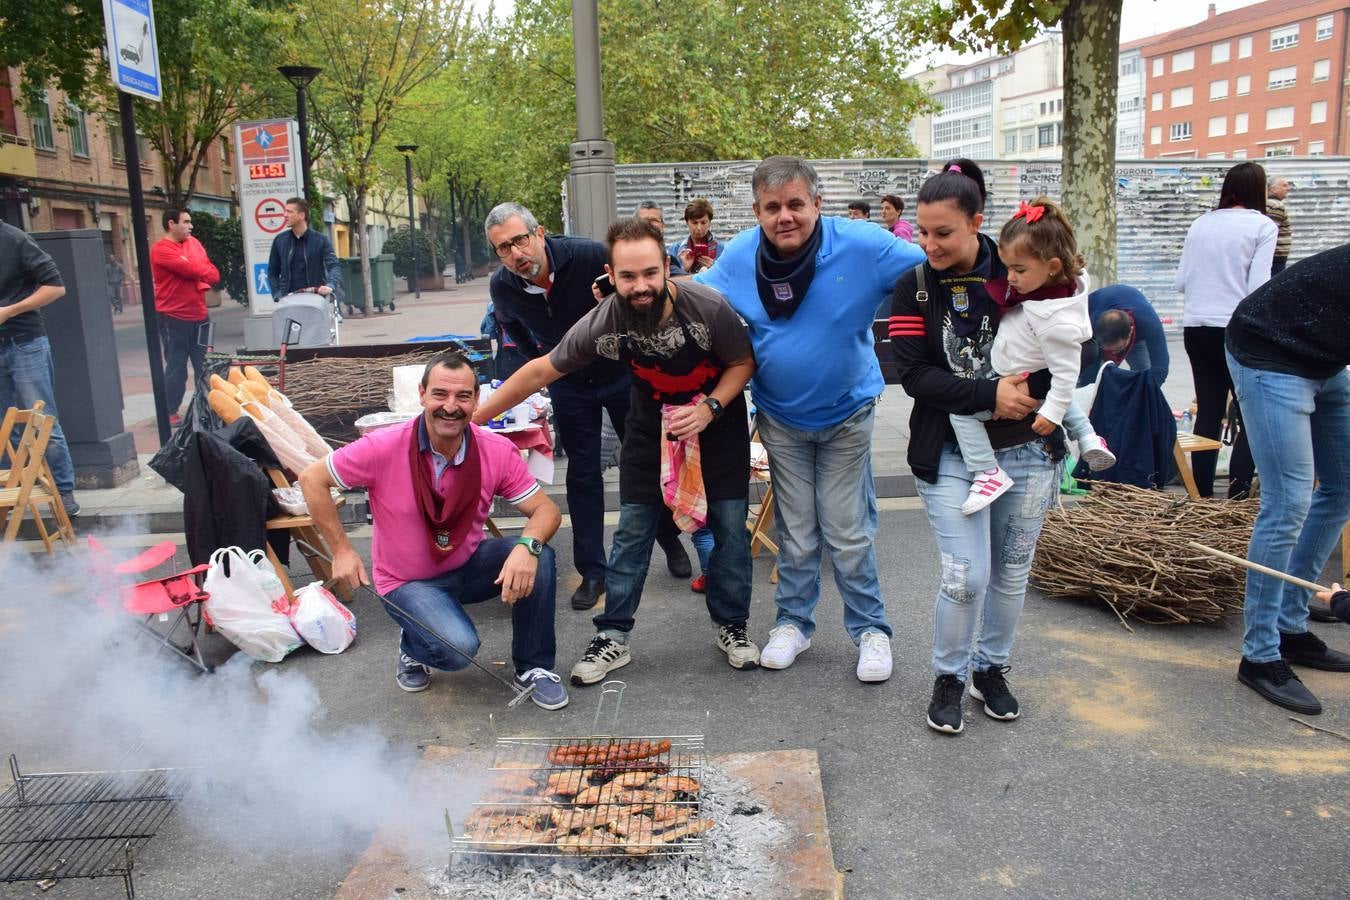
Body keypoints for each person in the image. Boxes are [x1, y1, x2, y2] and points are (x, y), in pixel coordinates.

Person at [477, 217, 759, 682]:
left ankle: (732, 625)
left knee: (729, 530)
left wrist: (710, 407)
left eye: (650, 273)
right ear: (611, 274)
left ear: (666, 267)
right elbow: (540, 371)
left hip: (717, 423)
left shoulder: (707, 307)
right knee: (631, 534)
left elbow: (743, 362)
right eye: (628, 277)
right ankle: (613, 636)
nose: (641, 286)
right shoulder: (605, 319)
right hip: (650, 426)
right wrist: (474, 418)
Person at [694, 156, 926, 682]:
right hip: (780, 419)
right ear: (756, 211)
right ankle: (793, 624)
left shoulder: (863, 245)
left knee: (846, 531)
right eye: (772, 207)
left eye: (796, 204)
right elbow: (696, 292)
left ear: (817, 204)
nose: (785, 217)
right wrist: (634, 291)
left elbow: (936, 260)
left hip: (847, 416)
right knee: (797, 534)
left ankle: (871, 630)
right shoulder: (738, 255)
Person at [890, 159, 1064, 735]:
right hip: (948, 452)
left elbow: (1061, 349)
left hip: (1027, 450)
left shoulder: (1022, 269)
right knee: (966, 575)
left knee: (1012, 574)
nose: (930, 244)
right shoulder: (912, 286)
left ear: (976, 223)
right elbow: (913, 375)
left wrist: (1039, 399)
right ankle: (948, 674)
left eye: (943, 232)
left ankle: (991, 669)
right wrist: (989, 393)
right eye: (922, 232)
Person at [297, 350, 569, 709]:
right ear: (422, 395)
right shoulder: (384, 446)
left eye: (463, 396)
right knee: (459, 650)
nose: (450, 406)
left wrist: (527, 548)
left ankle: (534, 668)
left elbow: (546, 511)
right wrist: (342, 550)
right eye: (440, 394)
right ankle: (413, 644)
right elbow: (312, 478)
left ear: (476, 401)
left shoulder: (495, 450)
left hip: (467, 565)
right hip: (407, 582)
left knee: (541, 555)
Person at [486, 202, 691, 611]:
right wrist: (544, 357)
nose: (515, 255)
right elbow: (512, 329)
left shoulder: (588, 255)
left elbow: (652, 293)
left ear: (539, 233)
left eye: (520, 241)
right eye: (503, 249)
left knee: (644, 461)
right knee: (582, 473)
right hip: (567, 381)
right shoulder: (503, 286)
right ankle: (593, 572)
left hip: (619, 371)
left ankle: (668, 538)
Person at [1225, 243, 1350, 716]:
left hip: (1322, 356)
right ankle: (1260, 654)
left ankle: (1290, 627)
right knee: (1288, 500)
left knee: (1343, 484)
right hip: (1268, 351)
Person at [947, 197, 1115, 515]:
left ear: (1052, 266)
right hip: (1028, 371)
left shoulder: (1054, 320)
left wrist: (1050, 413)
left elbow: (1066, 376)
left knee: (962, 413)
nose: (1009, 277)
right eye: (1008, 267)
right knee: (1056, 400)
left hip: (1016, 374)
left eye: (1018, 269)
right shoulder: (1061, 288)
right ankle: (1090, 437)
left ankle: (987, 471)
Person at [1173, 161, 1274, 500]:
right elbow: (1258, 288)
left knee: (1209, 411)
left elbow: (1181, 282)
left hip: (1196, 326)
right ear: (1257, 190)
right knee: (1248, 414)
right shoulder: (1263, 226)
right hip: (1237, 329)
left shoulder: (1200, 223)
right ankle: (1237, 494)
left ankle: (1200, 497)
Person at [0, 221, 79, 514]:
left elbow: (56, 287)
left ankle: (64, 491)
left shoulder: (15, 239)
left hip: (25, 342)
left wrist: (9, 310)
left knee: (44, 419)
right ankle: (10, 494)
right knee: (2, 426)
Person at [150, 208, 219, 425]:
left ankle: (208, 407)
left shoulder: (194, 243)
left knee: (205, 365)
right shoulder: (161, 250)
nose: (191, 226)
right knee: (176, 367)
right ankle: (170, 412)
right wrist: (197, 268)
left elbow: (213, 273)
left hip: (200, 315)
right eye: (186, 222)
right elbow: (191, 269)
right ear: (171, 223)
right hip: (173, 316)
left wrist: (196, 268)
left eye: (191, 222)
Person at [1077, 285, 1170, 387]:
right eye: (1109, 349)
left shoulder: (1150, 324)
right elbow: (1087, 372)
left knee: (1143, 372)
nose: (1114, 352)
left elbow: (1161, 367)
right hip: (1095, 310)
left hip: (1137, 327)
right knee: (1089, 378)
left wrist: (1149, 392)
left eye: (1119, 348)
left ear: (1130, 332)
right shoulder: (1089, 323)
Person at [266, 197, 344, 313]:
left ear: (302, 215)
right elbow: (272, 272)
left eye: (289, 211)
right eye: (285, 211)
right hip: (289, 301)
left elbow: (334, 266)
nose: (284, 215)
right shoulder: (280, 241)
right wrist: (277, 294)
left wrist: (330, 285)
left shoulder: (320, 240)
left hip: (316, 301)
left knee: (316, 331)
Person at [634, 201, 688, 275]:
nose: (649, 224)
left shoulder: (669, 261)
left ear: (662, 225)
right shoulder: (624, 257)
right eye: (644, 221)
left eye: (654, 220)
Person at [671, 198, 720, 275]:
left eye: (703, 223)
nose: (699, 228)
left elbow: (728, 277)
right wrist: (684, 269)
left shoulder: (721, 249)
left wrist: (713, 267)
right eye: (694, 223)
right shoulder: (675, 249)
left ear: (709, 222)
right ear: (687, 222)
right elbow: (669, 280)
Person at [1265, 176, 1292, 277]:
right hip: (1276, 257)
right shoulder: (1276, 206)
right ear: (1273, 189)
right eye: (1284, 185)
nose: (1288, 188)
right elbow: (1271, 232)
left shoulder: (1267, 204)